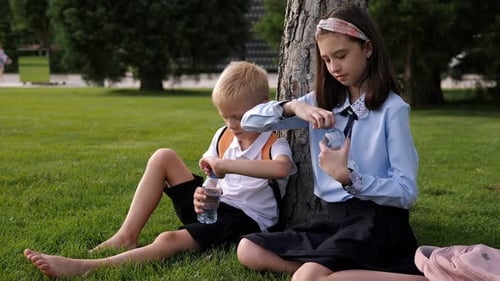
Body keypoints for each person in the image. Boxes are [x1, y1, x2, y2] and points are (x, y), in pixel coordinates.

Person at [24, 61, 297, 278]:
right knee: (163, 156)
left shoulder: (273, 142)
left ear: (263, 108)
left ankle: (86, 268)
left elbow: (282, 169)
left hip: (244, 222)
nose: (232, 124)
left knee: (168, 238)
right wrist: (202, 192)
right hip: (215, 208)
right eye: (224, 116)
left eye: (238, 117)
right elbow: (212, 175)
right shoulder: (224, 135)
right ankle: (126, 236)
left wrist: (225, 165)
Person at [237, 5, 428, 281]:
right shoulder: (320, 103)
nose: (334, 68)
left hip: (377, 220)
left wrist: (350, 178)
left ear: (368, 49)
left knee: (305, 278)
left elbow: (406, 191)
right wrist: (293, 108)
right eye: (326, 60)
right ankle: (349, 274)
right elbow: (247, 122)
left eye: (341, 56)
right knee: (248, 249)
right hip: (334, 221)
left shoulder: (392, 109)